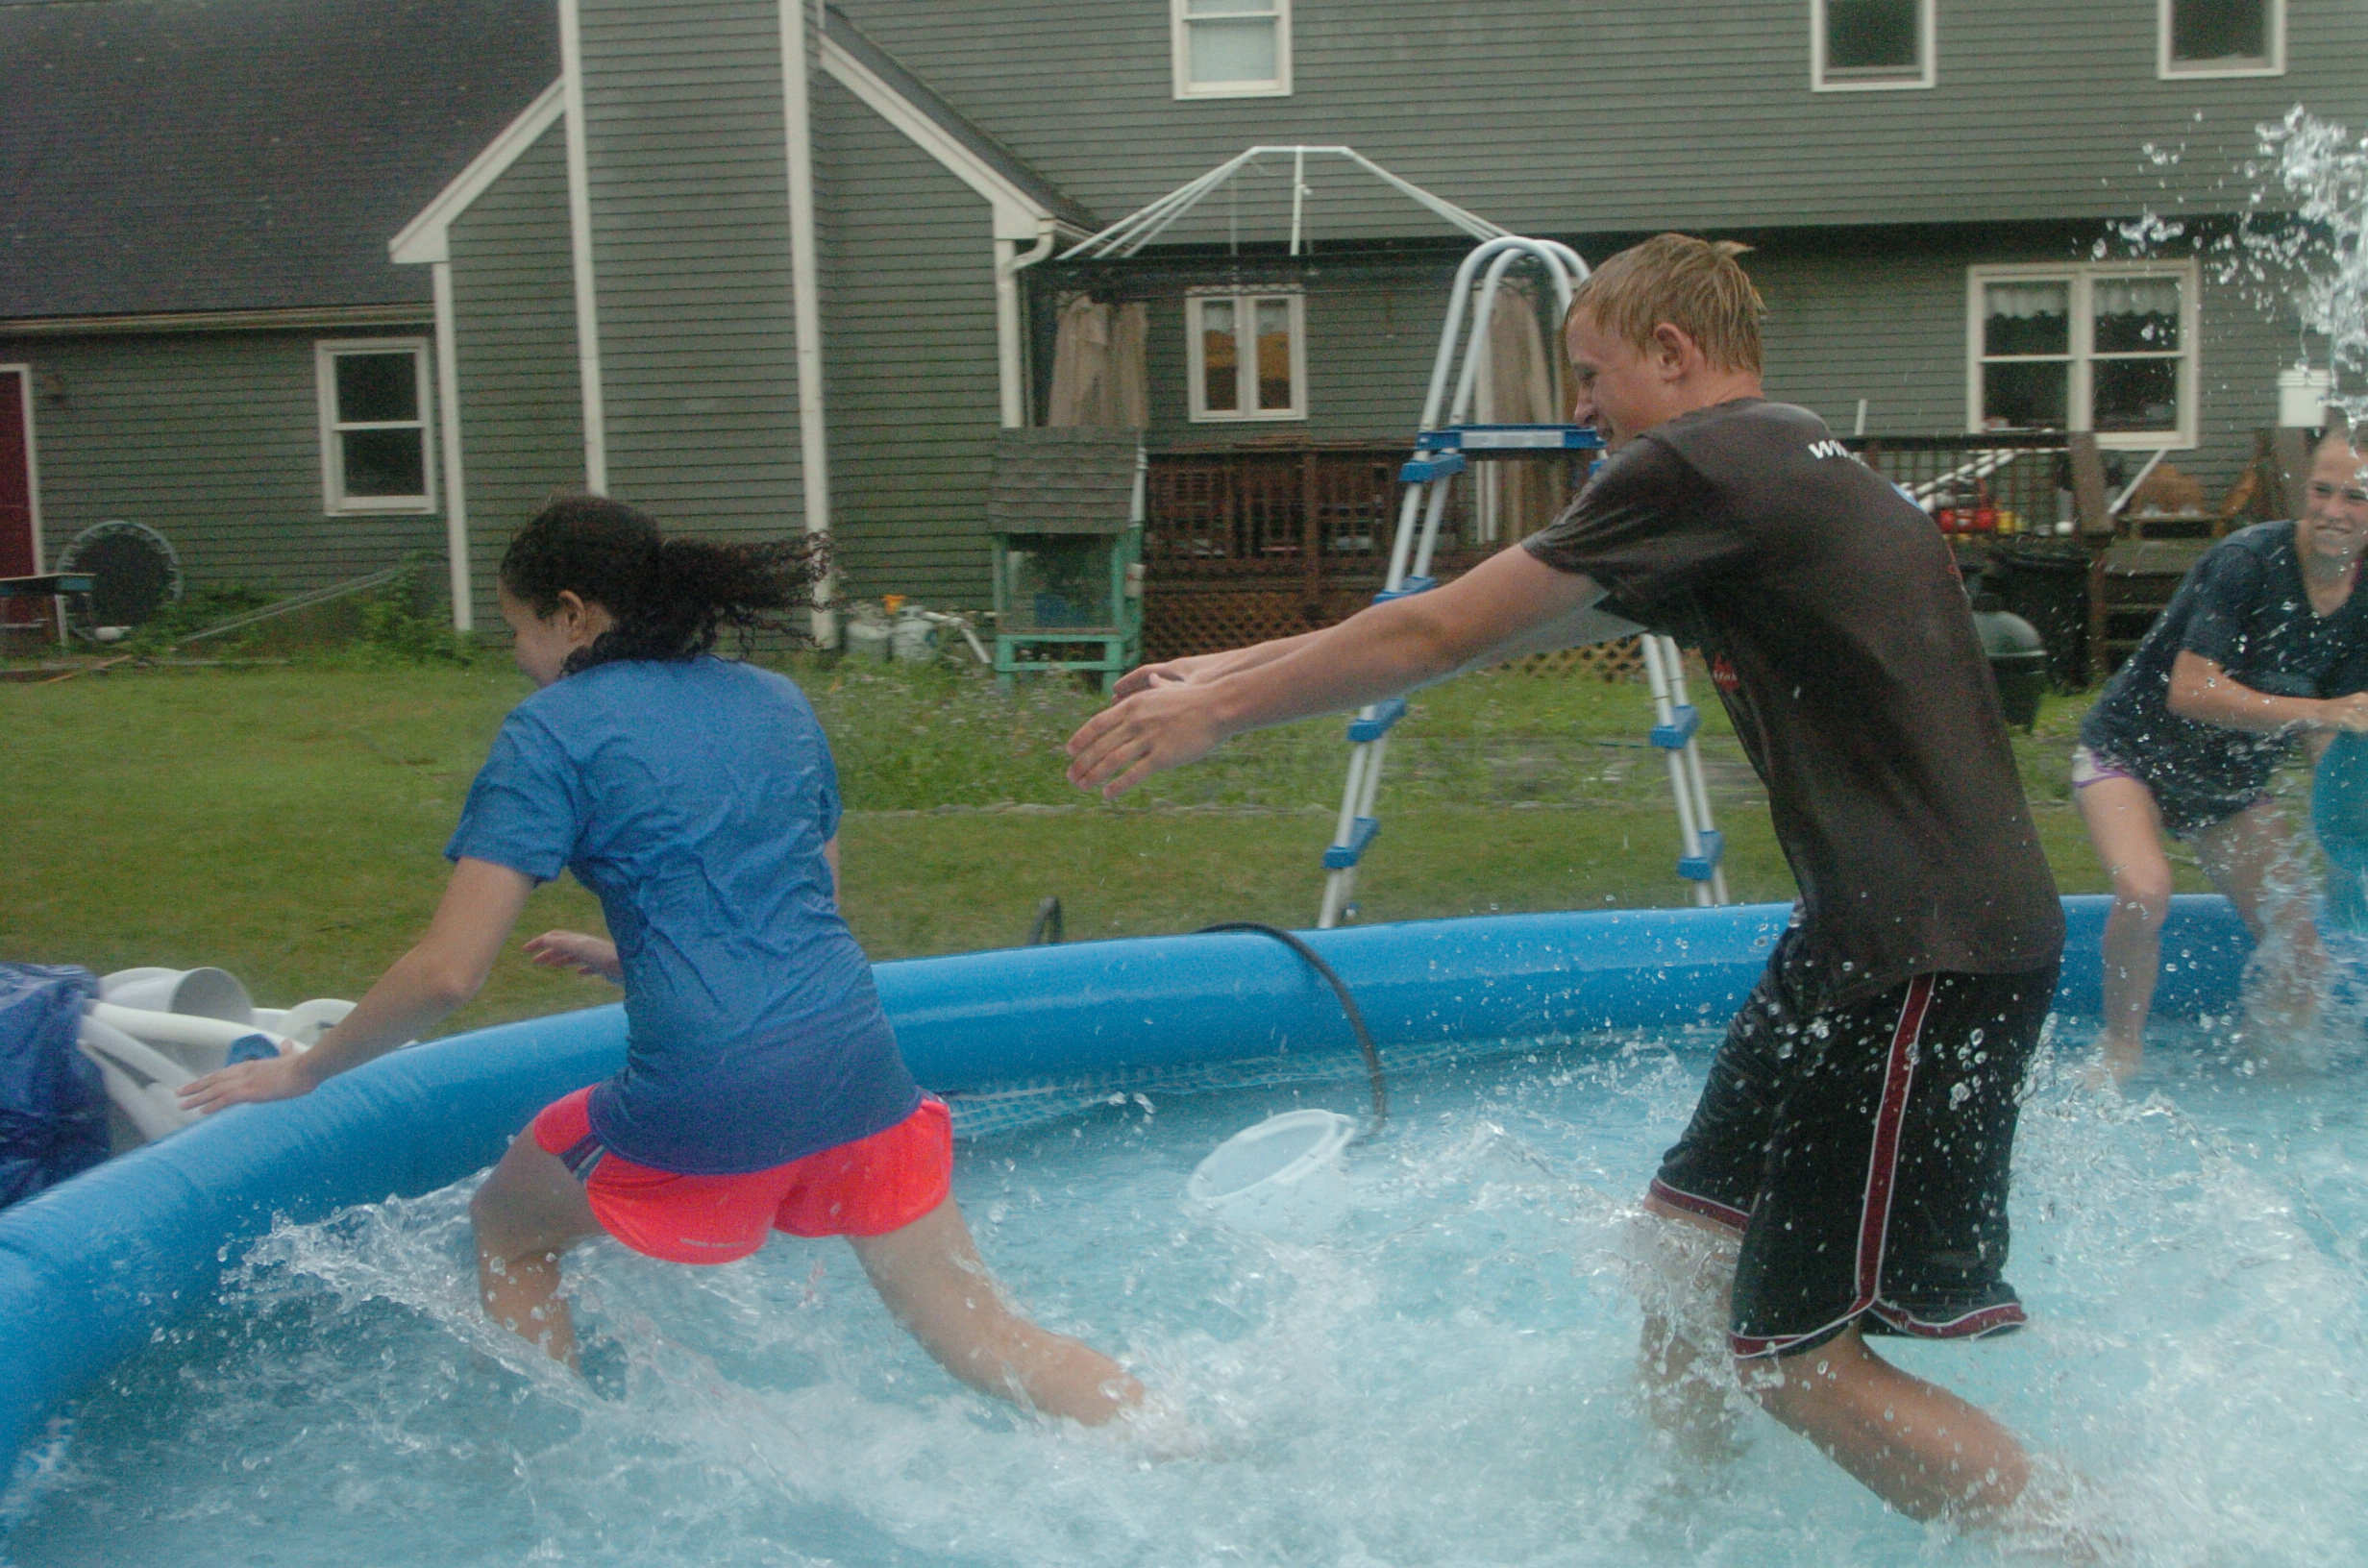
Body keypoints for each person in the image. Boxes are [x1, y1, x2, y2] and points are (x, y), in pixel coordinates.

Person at [1067, 234, 2066, 1526]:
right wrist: (1224, 669)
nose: (1582, 407)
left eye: (1593, 374)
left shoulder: (1701, 463)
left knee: (1795, 1361)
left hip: (1921, 952)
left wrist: (1217, 716)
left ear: (1674, 353)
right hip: (1871, 939)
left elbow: (1438, 630)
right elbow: (1484, 625)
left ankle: (2097, 1546)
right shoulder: (1778, 469)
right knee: (1682, 1256)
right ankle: (1682, 1526)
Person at [179, 496, 1144, 1427]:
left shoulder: (552, 731)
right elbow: (802, 910)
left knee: (507, 1231)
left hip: (708, 1095)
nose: (517, 656)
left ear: (571, 614)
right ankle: (1178, 1436)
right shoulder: (776, 701)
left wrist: (306, 1069)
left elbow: (447, 973)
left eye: (517, 629)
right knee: (994, 1340)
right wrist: (632, 958)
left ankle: (545, 1467)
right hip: (860, 1071)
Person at [2074, 429, 2368, 1081]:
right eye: (2322, 491)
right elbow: (2190, 691)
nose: (2333, 510)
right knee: (2144, 891)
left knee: (2304, 956)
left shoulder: (2364, 598)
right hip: (2129, 754)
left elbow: (2337, 730)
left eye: (2356, 497)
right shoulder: (2249, 561)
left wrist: (2350, 841)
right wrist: (2322, 712)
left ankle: (2274, 1088)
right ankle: (2119, 1052)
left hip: (2228, 783)